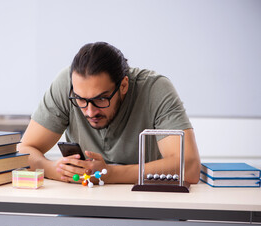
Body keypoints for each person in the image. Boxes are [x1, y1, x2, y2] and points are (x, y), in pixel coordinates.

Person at [19, 42, 201, 184]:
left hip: (146, 206)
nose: (90, 111)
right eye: (80, 100)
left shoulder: (155, 89)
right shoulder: (66, 85)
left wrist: (109, 173)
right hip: (85, 203)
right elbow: (24, 150)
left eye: (101, 99)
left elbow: (190, 167)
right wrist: (56, 170)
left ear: (123, 86)